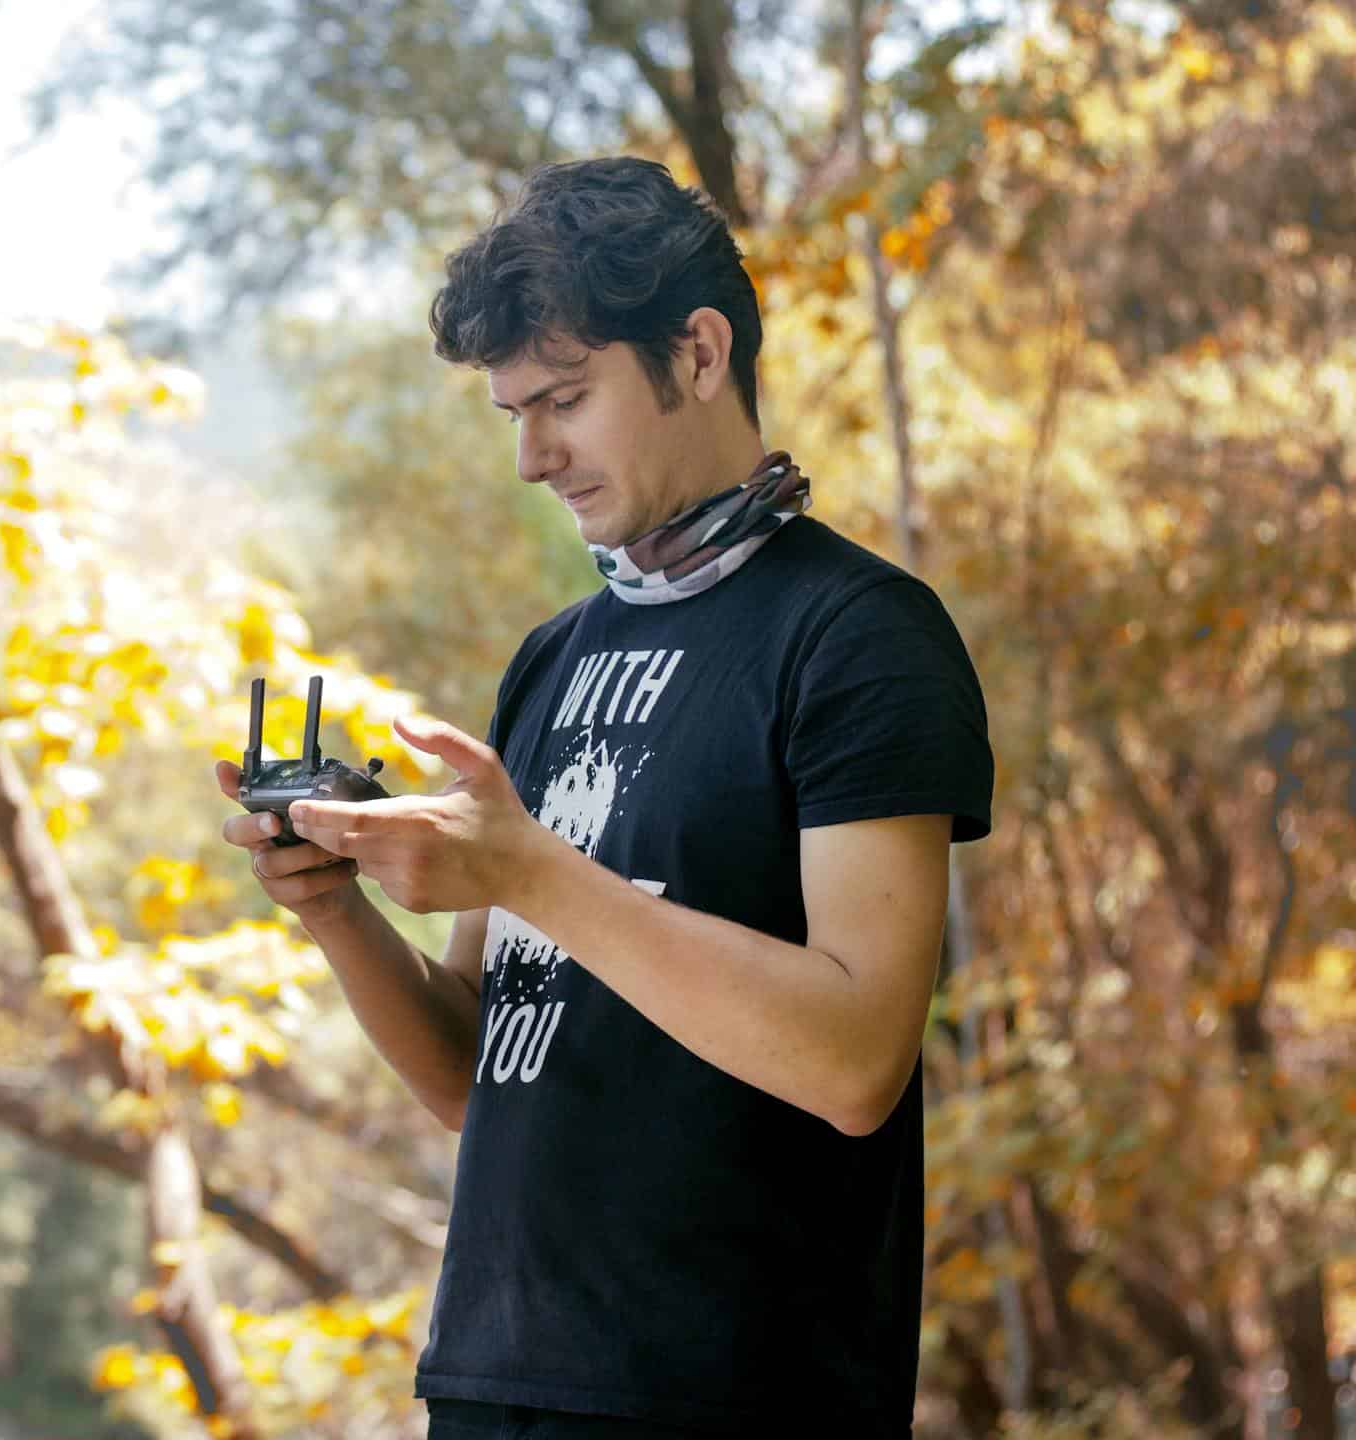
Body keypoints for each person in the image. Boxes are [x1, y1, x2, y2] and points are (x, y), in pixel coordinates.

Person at [213, 156, 993, 1438]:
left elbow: (857, 1060)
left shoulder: (859, 636)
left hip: (734, 1397)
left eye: (563, 400)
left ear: (696, 352)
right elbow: (481, 1072)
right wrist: (336, 911)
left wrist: (529, 871)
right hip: (492, 1381)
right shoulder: (553, 658)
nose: (531, 455)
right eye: (511, 412)